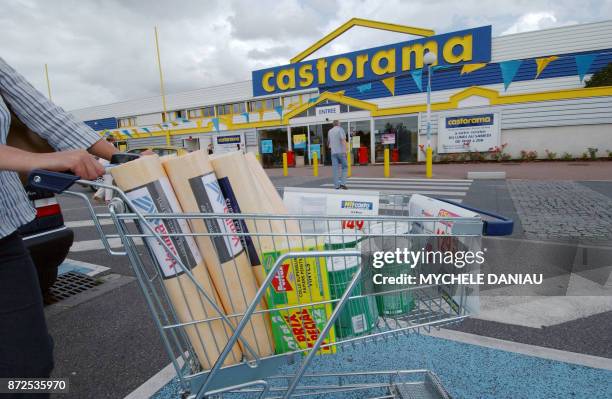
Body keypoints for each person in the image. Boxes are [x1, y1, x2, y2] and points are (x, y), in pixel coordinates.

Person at [0, 56, 117, 387]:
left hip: (4, 232)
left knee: (30, 361)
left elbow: (46, 114)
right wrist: (44, 159)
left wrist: (122, 159)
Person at [327, 120, 348, 189]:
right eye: (340, 123)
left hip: (333, 153)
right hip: (341, 152)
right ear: (338, 124)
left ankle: (336, 186)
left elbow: (329, 144)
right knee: (345, 167)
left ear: (333, 124)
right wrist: (346, 151)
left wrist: (333, 147)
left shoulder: (330, 131)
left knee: (335, 169)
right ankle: (343, 183)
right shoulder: (340, 129)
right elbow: (343, 140)